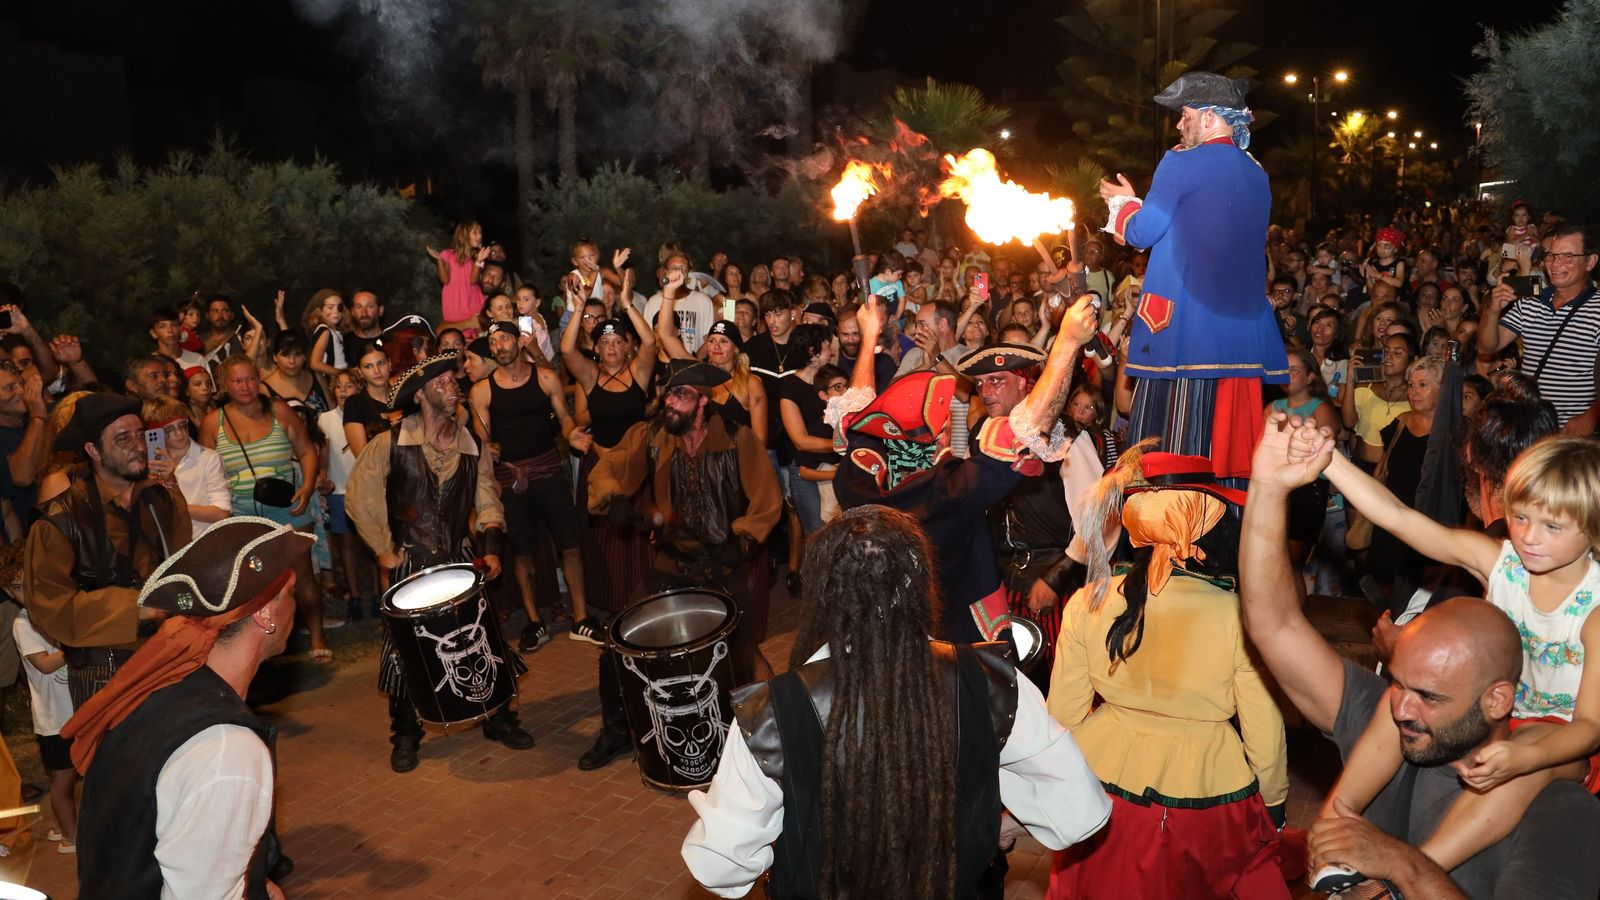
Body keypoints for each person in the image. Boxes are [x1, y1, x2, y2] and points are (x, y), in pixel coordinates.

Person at [1243, 412, 1600, 898]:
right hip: (1498, 707)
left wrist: (1521, 754)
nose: (1529, 537)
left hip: (1561, 738)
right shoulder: (1504, 563)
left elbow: (1589, 729)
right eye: (1520, 517)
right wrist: (1328, 462)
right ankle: (1333, 826)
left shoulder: (1594, 608)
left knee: (1514, 776)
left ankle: (1410, 870)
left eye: (1553, 526)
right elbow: (1402, 519)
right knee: (1398, 704)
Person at [681, 506, 1111, 899]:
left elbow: (719, 865)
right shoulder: (991, 681)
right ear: (920, 584)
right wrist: (993, 827)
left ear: (823, 593)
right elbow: (1080, 807)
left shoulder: (773, 711)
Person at [1047, 447, 1295, 899]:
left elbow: (1063, 712)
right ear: (1210, 519)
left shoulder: (1089, 601)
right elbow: (1264, 727)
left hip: (1101, 784)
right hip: (1209, 785)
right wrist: (1274, 802)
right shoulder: (1239, 615)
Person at [63, 518, 312, 898]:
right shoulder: (228, 749)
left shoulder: (159, 692)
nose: (300, 602)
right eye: (291, 590)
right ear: (265, 615)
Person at [830, 294, 1099, 643]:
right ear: (932, 437)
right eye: (941, 423)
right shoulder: (947, 488)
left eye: (996, 381)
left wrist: (869, 340)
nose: (984, 392)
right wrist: (1067, 342)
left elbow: (856, 413)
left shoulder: (855, 477)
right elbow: (1028, 427)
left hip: (879, 629)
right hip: (952, 633)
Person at [580, 360, 783, 772]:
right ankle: (617, 733)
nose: (670, 403)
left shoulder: (738, 441)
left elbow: (767, 500)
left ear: (703, 402)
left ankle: (763, 740)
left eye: (681, 395)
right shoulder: (653, 436)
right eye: (668, 394)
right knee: (614, 652)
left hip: (721, 567)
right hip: (669, 568)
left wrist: (741, 542)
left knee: (745, 660)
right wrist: (613, 500)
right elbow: (611, 468)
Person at [345, 352, 535, 773]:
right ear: (421, 396)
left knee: (484, 641)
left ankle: (499, 718)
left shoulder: (473, 447)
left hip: (461, 561)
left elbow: (489, 500)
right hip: (410, 565)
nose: (453, 388)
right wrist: (383, 549)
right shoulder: (390, 443)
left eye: (454, 381)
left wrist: (491, 548)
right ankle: (407, 735)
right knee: (403, 653)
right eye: (443, 383)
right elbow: (360, 495)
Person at [1099, 72, 1287, 478]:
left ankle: (1168, 539)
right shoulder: (1257, 174)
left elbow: (1142, 232)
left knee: (1165, 460)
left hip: (1182, 333)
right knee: (1223, 454)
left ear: (1208, 118)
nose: (1179, 125)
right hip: (1238, 341)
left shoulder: (1180, 161)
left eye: (1185, 115)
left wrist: (1124, 204)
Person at [23, 394, 190, 706]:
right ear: (93, 451)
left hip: (166, 654)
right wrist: (137, 607)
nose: (139, 446)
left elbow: (179, 554)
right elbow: (49, 607)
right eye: (123, 438)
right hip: (104, 671)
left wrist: (172, 487)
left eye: (140, 434)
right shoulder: (61, 519)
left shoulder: (154, 498)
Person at [472, 321, 599, 644]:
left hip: (548, 471)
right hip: (510, 481)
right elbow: (482, 436)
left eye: (505, 338)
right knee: (522, 551)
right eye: (494, 341)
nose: (500, 345)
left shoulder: (545, 377)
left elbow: (565, 419)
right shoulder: (482, 390)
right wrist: (486, 447)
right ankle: (533, 621)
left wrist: (573, 435)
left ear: (518, 341)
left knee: (570, 545)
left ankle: (581, 618)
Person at [200, 357, 328, 662]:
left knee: (303, 576)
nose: (246, 387)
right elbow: (205, 468)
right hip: (242, 516)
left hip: (288, 508)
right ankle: (265, 645)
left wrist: (308, 486)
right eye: (237, 381)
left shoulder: (279, 411)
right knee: (255, 586)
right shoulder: (211, 423)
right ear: (224, 385)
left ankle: (318, 637)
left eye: (251, 379)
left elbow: (307, 450)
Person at [1476, 223, 1600, 433]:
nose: (1555, 263)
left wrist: (1591, 417)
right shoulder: (1531, 302)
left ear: (1590, 261)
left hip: (1573, 434)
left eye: (1567, 256)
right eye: (1550, 256)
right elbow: (1487, 348)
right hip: (1529, 429)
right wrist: (1493, 309)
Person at [13, 601, 78, 855]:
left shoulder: (53, 614)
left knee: (70, 776)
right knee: (62, 779)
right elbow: (45, 664)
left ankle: (65, 827)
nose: (21, 592)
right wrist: (78, 643)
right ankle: (71, 838)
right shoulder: (23, 622)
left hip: (71, 711)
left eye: (25, 584)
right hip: (53, 717)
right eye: (14, 587)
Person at [144, 396, 231, 538]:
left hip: (206, 541)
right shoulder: (151, 465)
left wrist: (175, 507)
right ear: (156, 433)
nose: (180, 433)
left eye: (183, 425)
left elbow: (221, 513)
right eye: (169, 430)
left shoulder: (208, 458)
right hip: (171, 544)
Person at [428, 221, 490, 334]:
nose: (479, 236)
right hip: (455, 299)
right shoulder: (447, 254)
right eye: (475, 233)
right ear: (464, 235)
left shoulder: (477, 257)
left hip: (473, 298)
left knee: (476, 331)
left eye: (480, 233)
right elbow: (444, 280)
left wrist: (478, 261)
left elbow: (473, 280)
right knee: (456, 332)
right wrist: (439, 261)